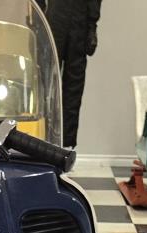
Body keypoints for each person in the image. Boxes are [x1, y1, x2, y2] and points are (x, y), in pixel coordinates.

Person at [36, 0, 101, 148]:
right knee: (45, 84)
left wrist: (92, 26)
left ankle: (66, 145)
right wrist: (38, 17)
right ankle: (42, 140)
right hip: (54, 16)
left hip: (80, 18)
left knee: (74, 86)